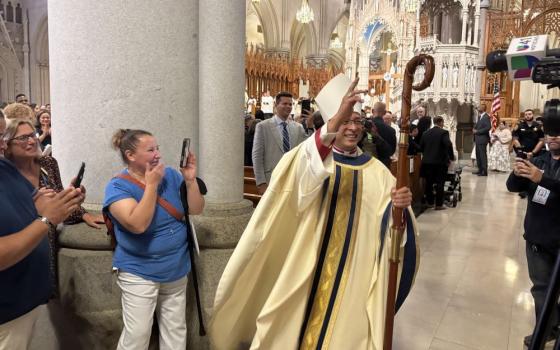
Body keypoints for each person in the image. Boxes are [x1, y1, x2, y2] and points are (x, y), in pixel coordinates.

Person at [210, 75, 418, 350]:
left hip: (353, 277)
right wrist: (334, 122)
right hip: (305, 270)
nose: (353, 128)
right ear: (331, 122)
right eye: (345, 120)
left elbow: (393, 233)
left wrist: (399, 209)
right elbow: (300, 184)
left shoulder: (378, 172)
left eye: (357, 121)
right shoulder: (309, 157)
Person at [103, 129, 205, 349]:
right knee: (138, 335)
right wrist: (151, 185)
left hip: (176, 267)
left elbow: (196, 209)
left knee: (175, 330)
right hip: (139, 270)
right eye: (150, 150)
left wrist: (189, 181)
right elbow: (137, 224)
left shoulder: (171, 175)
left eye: (157, 148)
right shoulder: (117, 186)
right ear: (131, 155)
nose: (157, 154)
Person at [0, 115, 85, 349]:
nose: (3, 144)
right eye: (1, 137)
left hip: (24, 298)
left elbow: (33, 205)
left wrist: (66, 203)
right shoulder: (10, 165)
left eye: (32, 135)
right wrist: (46, 218)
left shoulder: (7, 168)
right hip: (6, 309)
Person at [3, 118, 104, 294]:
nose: (32, 141)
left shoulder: (48, 164)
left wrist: (77, 206)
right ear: (8, 145)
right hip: (18, 247)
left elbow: (57, 208)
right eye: (23, 138)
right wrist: (36, 206)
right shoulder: (6, 173)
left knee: (42, 299)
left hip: (46, 244)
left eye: (32, 135)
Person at [506, 115, 560, 347]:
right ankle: (546, 328)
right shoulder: (539, 159)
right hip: (537, 236)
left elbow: (548, 185)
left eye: (558, 132)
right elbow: (513, 187)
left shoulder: (543, 169)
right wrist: (517, 174)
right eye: (550, 131)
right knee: (540, 289)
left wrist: (543, 179)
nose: (553, 136)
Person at [252, 91, 308, 194]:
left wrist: (310, 125)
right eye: (284, 104)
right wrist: (261, 182)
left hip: (292, 180)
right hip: (271, 179)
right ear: (276, 105)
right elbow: (257, 156)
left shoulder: (298, 128)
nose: (288, 106)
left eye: (290, 104)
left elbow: (308, 149)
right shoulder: (263, 126)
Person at [420, 116, 455, 210]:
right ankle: (439, 205)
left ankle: (430, 202)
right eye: (442, 123)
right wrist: (451, 157)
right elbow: (448, 144)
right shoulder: (444, 132)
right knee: (440, 183)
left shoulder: (425, 133)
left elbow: (421, 147)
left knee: (429, 183)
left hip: (427, 162)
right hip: (440, 163)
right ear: (440, 122)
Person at [370, 102, 397, 168]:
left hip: (367, 163)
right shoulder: (391, 130)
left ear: (372, 111)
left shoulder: (366, 126)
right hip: (383, 165)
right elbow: (391, 152)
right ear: (385, 113)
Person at [473, 104, 491, 176]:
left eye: (479, 107)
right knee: (478, 155)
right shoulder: (480, 116)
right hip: (478, 139)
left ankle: (484, 171)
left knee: (482, 155)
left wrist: (477, 131)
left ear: (483, 108)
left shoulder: (486, 117)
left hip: (483, 139)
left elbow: (488, 127)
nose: (478, 107)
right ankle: (480, 170)